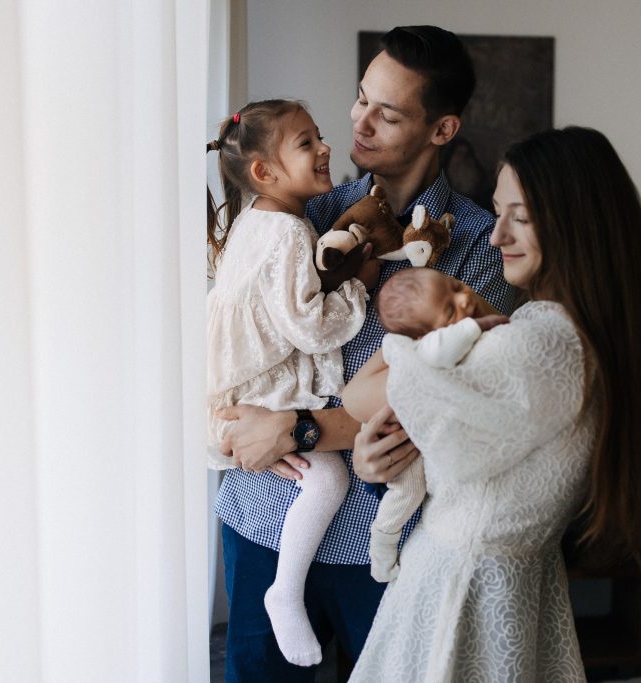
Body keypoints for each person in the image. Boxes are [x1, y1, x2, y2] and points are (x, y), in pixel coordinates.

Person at [212, 26, 514, 682]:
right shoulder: (302, 213)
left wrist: (297, 428)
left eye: (389, 113)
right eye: (360, 98)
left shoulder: (478, 249)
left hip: (388, 545)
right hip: (266, 513)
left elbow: (442, 403)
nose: (360, 121)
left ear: (442, 129)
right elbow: (234, 329)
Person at [349, 126, 641, 682]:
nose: (496, 235)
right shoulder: (583, 335)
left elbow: (362, 396)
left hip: (462, 591)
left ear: (577, 224)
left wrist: (398, 350)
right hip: (508, 588)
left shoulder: (534, 343)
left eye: (519, 217)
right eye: (497, 212)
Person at [205, 99, 380, 666]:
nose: (326, 147)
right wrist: (358, 286)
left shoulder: (251, 222)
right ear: (265, 171)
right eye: (307, 143)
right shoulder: (289, 232)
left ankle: (284, 589)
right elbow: (308, 325)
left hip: (243, 383)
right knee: (328, 478)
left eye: (319, 135)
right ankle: (286, 589)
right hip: (266, 388)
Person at [341, 268, 509, 582]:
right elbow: (444, 348)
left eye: (456, 286)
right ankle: (382, 544)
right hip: (402, 443)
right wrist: (480, 325)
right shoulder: (426, 349)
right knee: (407, 494)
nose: (465, 299)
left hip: (423, 440)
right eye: (450, 311)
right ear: (422, 334)